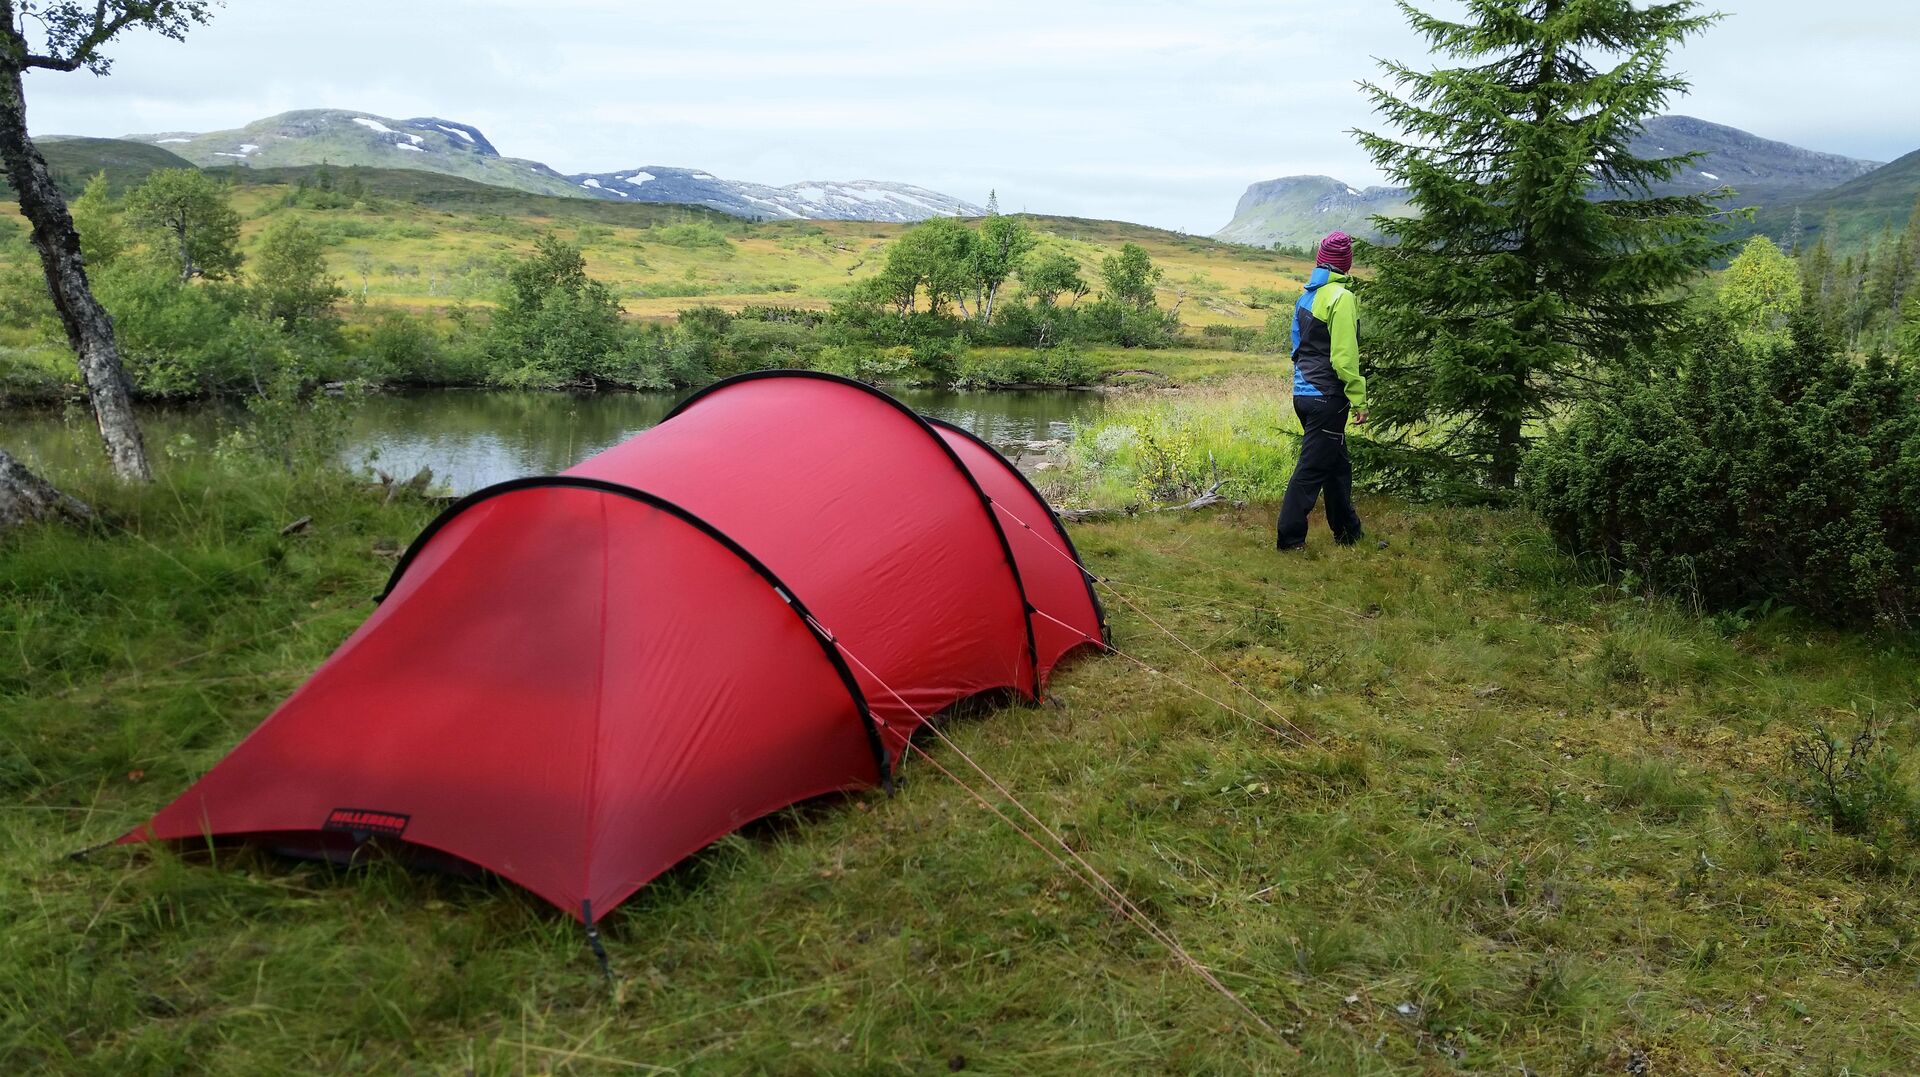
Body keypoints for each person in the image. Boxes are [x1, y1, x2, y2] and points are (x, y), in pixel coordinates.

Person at [1276, 231, 1366, 551]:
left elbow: (1297, 349)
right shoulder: (1342, 298)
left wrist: (1306, 384)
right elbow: (1344, 358)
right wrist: (1359, 398)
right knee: (1312, 469)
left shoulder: (1306, 297)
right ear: (1346, 264)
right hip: (1328, 397)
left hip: (1304, 395)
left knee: (1336, 466)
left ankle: (1349, 534)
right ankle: (1290, 540)